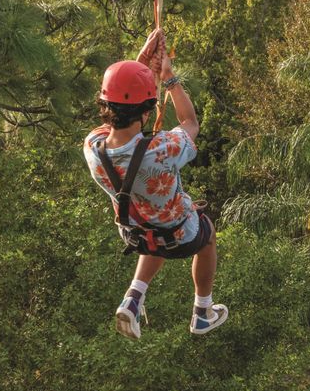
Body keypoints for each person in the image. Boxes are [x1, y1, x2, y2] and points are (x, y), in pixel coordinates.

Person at [82, 29, 228, 339]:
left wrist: (140, 68)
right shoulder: (162, 150)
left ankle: (133, 298)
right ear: (148, 112)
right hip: (179, 234)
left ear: (105, 105)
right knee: (207, 232)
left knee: (152, 222)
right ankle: (203, 310)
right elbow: (190, 122)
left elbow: (117, 115)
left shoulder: (93, 148)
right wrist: (169, 78)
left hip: (134, 232)